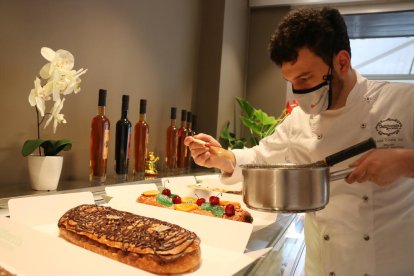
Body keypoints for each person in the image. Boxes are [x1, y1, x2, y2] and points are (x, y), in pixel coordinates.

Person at [185, 7, 414, 276]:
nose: (300, 92)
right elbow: (262, 157)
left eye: (305, 78)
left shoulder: (402, 102)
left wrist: (405, 162)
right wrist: (222, 158)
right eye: (291, 81)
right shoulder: (299, 120)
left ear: (341, 62)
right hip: (322, 267)